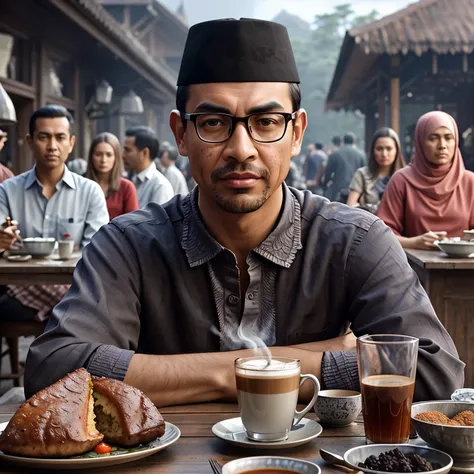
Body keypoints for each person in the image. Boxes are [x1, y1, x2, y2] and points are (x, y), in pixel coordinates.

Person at [25, 19, 463, 405]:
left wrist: (165, 371)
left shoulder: (354, 240)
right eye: (213, 123)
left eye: (267, 122)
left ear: (297, 133)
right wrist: (316, 358)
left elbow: (433, 372)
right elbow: (54, 369)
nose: (241, 149)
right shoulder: (128, 245)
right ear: (180, 134)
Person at [0, 105, 109, 322]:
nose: (52, 146)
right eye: (44, 137)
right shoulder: (7, 190)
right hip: (20, 287)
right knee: (80, 315)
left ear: (71, 143)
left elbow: (95, 252)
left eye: (60, 137)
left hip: (74, 286)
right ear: (30, 141)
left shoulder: (90, 192)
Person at [378, 111, 474, 249]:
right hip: (411, 267)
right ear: (420, 142)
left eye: (448, 138)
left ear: (456, 141)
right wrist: (414, 243)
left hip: (465, 268)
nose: (442, 145)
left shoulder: (469, 182)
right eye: (433, 138)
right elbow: (382, 235)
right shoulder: (402, 181)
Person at [347, 127, 405, 213]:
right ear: (373, 151)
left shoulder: (405, 176)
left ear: (396, 150)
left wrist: (364, 206)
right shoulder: (362, 174)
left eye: (389, 149)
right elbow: (349, 208)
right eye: (379, 149)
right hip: (368, 224)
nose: (384, 154)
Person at [86, 132, 139, 220]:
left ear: (116, 157)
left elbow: (133, 224)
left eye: (109, 155)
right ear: (91, 156)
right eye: (98, 154)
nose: (103, 160)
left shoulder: (126, 187)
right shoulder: (80, 184)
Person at [123, 126, 173, 208]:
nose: (123, 155)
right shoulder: (132, 179)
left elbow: (159, 220)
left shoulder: (159, 186)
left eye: (127, 150)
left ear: (144, 153)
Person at [323, 132, 366, 202]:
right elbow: (364, 172)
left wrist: (325, 186)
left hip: (337, 190)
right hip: (355, 191)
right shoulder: (361, 155)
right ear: (354, 141)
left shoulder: (335, 154)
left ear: (342, 141)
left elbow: (328, 172)